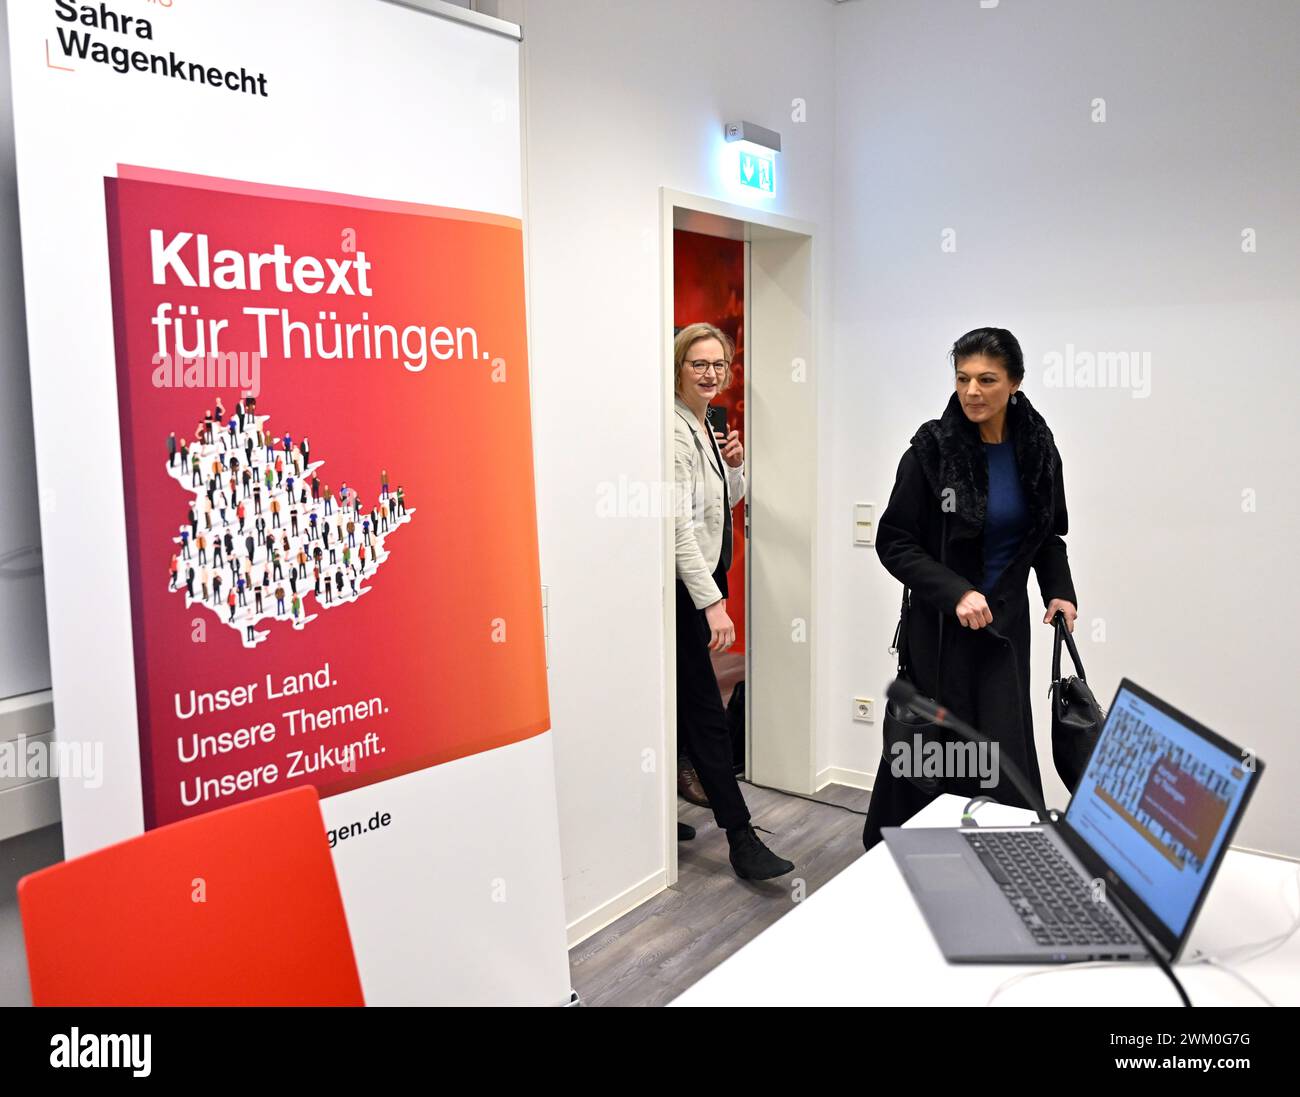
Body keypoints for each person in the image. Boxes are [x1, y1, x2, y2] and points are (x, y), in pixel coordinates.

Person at [862, 327, 1078, 849]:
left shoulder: (1038, 450)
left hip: (1004, 626)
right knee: (935, 746)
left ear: (1015, 383)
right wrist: (955, 591)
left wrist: (1059, 589)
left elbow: (1048, 533)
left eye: (987, 379)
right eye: (963, 379)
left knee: (1002, 747)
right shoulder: (930, 451)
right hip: (940, 630)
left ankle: (1000, 856)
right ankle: (902, 852)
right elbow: (894, 542)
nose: (972, 391)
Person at [672, 321, 794, 881]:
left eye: (718, 364)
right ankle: (741, 838)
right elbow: (676, 527)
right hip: (685, 590)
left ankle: (652, 817)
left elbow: (723, 503)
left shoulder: (706, 423)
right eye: (699, 363)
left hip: (704, 581)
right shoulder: (671, 431)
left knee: (678, 703)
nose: (710, 373)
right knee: (704, 711)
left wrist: (735, 465)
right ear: (678, 367)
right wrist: (711, 602)